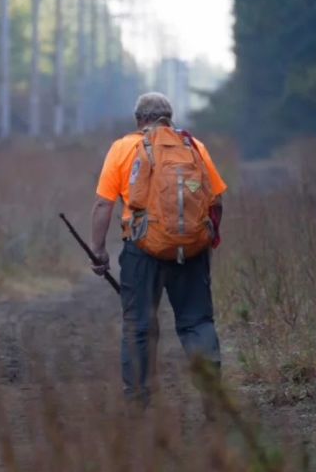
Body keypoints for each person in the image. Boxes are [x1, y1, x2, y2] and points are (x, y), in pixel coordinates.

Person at [90, 92, 228, 407]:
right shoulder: (194, 147)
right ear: (170, 117)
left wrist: (99, 251)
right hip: (191, 251)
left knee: (139, 324)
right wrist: (202, 239)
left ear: (139, 120)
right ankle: (213, 396)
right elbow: (216, 200)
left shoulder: (124, 148)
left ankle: (139, 403)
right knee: (197, 322)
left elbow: (103, 205)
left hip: (142, 250)